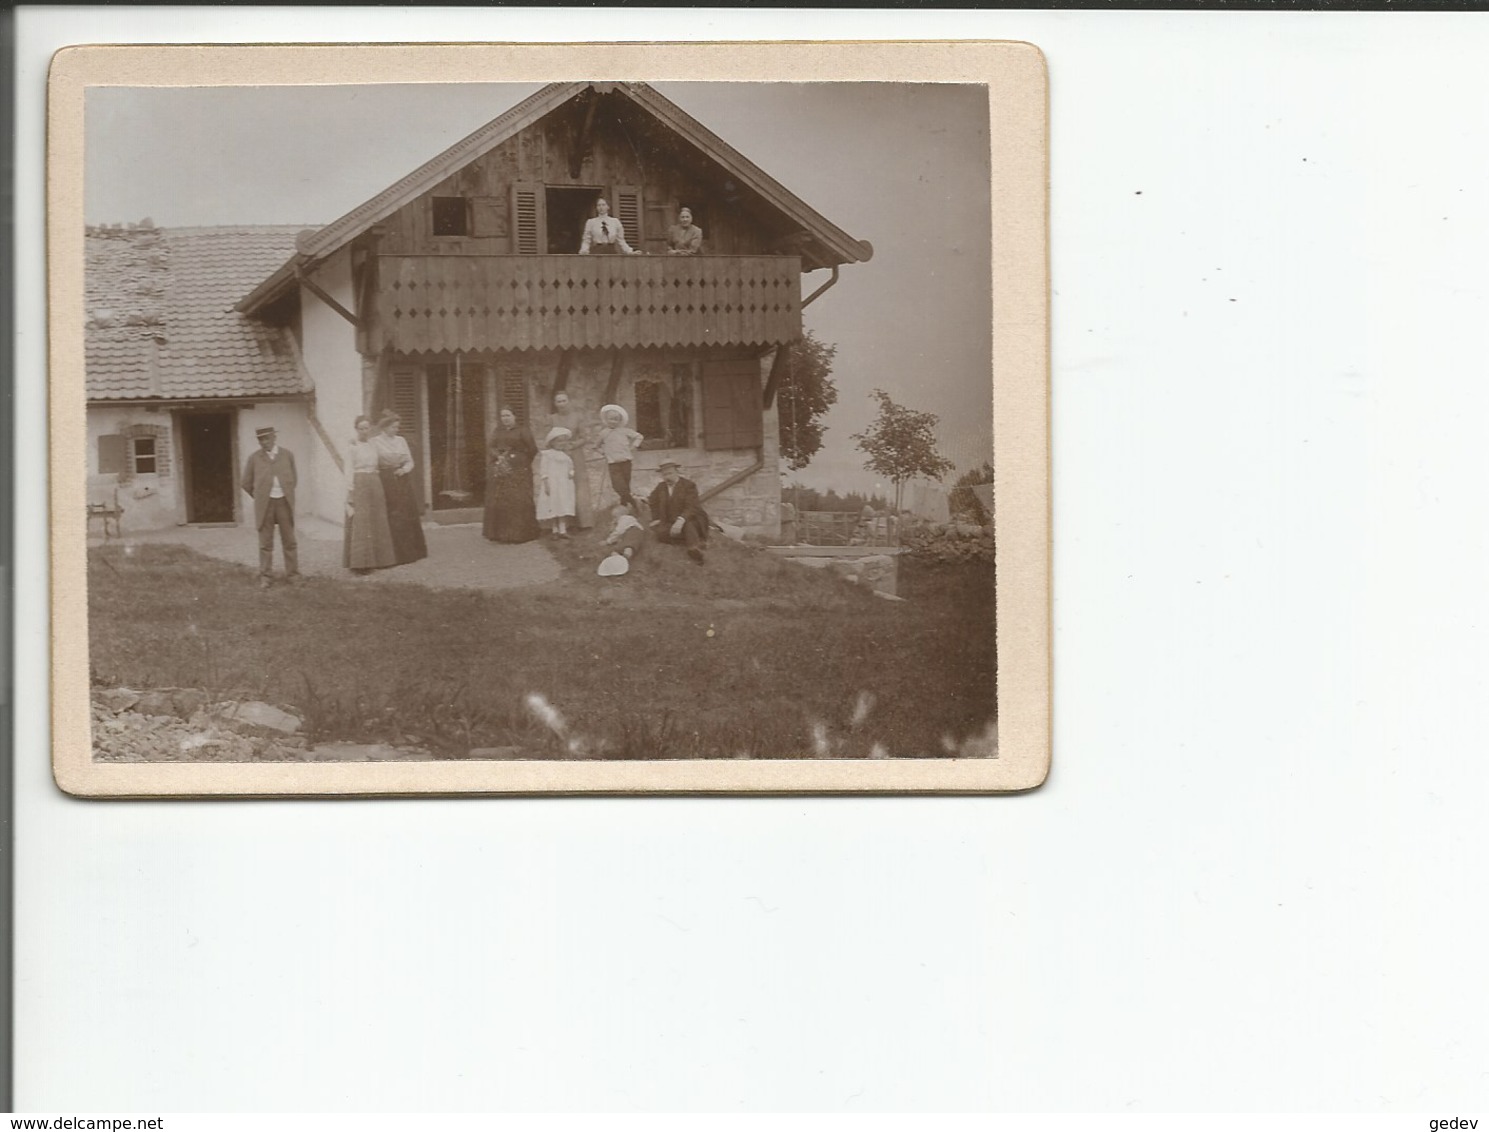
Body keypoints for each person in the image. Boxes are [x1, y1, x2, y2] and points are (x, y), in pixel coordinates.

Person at [241, 425, 300, 588]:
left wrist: (282, 493)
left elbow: (293, 480)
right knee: (265, 543)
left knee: (289, 541)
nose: (264, 442)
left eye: (267, 438)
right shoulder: (254, 458)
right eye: (261, 439)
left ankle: (293, 575)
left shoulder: (287, 455)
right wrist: (260, 496)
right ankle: (266, 576)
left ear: (274, 437)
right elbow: (246, 482)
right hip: (265, 505)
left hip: (283, 503)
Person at [343, 415, 397, 575]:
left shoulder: (375, 444)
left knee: (378, 518)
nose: (364, 431)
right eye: (361, 428)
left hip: (375, 481)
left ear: (370, 429)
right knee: (362, 521)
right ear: (356, 429)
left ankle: (382, 560)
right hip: (360, 482)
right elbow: (348, 470)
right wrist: (350, 492)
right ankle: (360, 564)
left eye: (367, 428)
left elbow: (388, 448)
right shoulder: (352, 446)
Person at [373, 410, 428, 564]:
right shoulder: (375, 442)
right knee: (392, 514)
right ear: (384, 427)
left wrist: (403, 470)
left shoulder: (401, 440)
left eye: (397, 427)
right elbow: (372, 462)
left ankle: (410, 552)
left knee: (406, 513)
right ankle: (392, 553)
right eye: (393, 427)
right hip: (385, 481)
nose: (396, 430)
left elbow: (410, 462)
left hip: (402, 480)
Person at [483, 406, 539, 543]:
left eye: (508, 415)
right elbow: (491, 447)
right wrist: (499, 457)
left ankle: (520, 534)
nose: (505, 419)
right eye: (503, 416)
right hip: (502, 469)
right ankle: (500, 534)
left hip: (519, 470)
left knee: (518, 500)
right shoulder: (498, 431)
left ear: (514, 417)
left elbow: (532, 449)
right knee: (501, 500)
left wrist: (520, 461)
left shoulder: (523, 431)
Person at [646, 458, 710, 565]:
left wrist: (680, 521)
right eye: (664, 474)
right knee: (660, 533)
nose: (667, 477)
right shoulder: (661, 487)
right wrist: (656, 518)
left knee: (689, 526)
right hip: (670, 521)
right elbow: (653, 502)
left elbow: (692, 507)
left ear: (677, 472)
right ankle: (692, 540)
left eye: (670, 473)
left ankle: (694, 549)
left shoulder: (689, 485)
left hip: (691, 518)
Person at [546, 390, 594, 529]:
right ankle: (563, 524)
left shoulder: (577, 417)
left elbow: (585, 437)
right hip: (558, 456)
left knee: (580, 486)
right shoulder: (552, 419)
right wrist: (556, 447)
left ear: (569, 401)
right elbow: (548, 438)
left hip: (575, 454)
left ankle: (585, 523)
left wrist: (572, 445)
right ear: (555, 404)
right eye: (558, 401)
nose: (561, 404)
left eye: (564, 401)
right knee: (560, 487)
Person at [594, 403, 644, 508]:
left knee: (625, 486)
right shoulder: (604, 433)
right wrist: (603, 452)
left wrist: (633, 446)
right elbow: (596, 446)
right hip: (613, 464)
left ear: (620, 421)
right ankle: (634, 502)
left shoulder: (625, 431)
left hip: (626, 462)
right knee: (617, 486)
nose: (613, 421)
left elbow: (639, 436)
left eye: (616, 419)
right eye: (611, 419)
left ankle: (625, 507)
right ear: (606, 419)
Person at [535, 426, 576, 539]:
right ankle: (554, 530)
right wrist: (546, 483)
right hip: (553, 483)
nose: (561, 443)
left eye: (564, 441)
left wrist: (571, 473)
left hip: (564, 484)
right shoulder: (547, 455)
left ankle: (563, 530)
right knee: (553, 505)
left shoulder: (566, 456)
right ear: (552, 442)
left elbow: (571, 467)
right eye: (559, 441)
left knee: (562, 505)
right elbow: (544, 470)